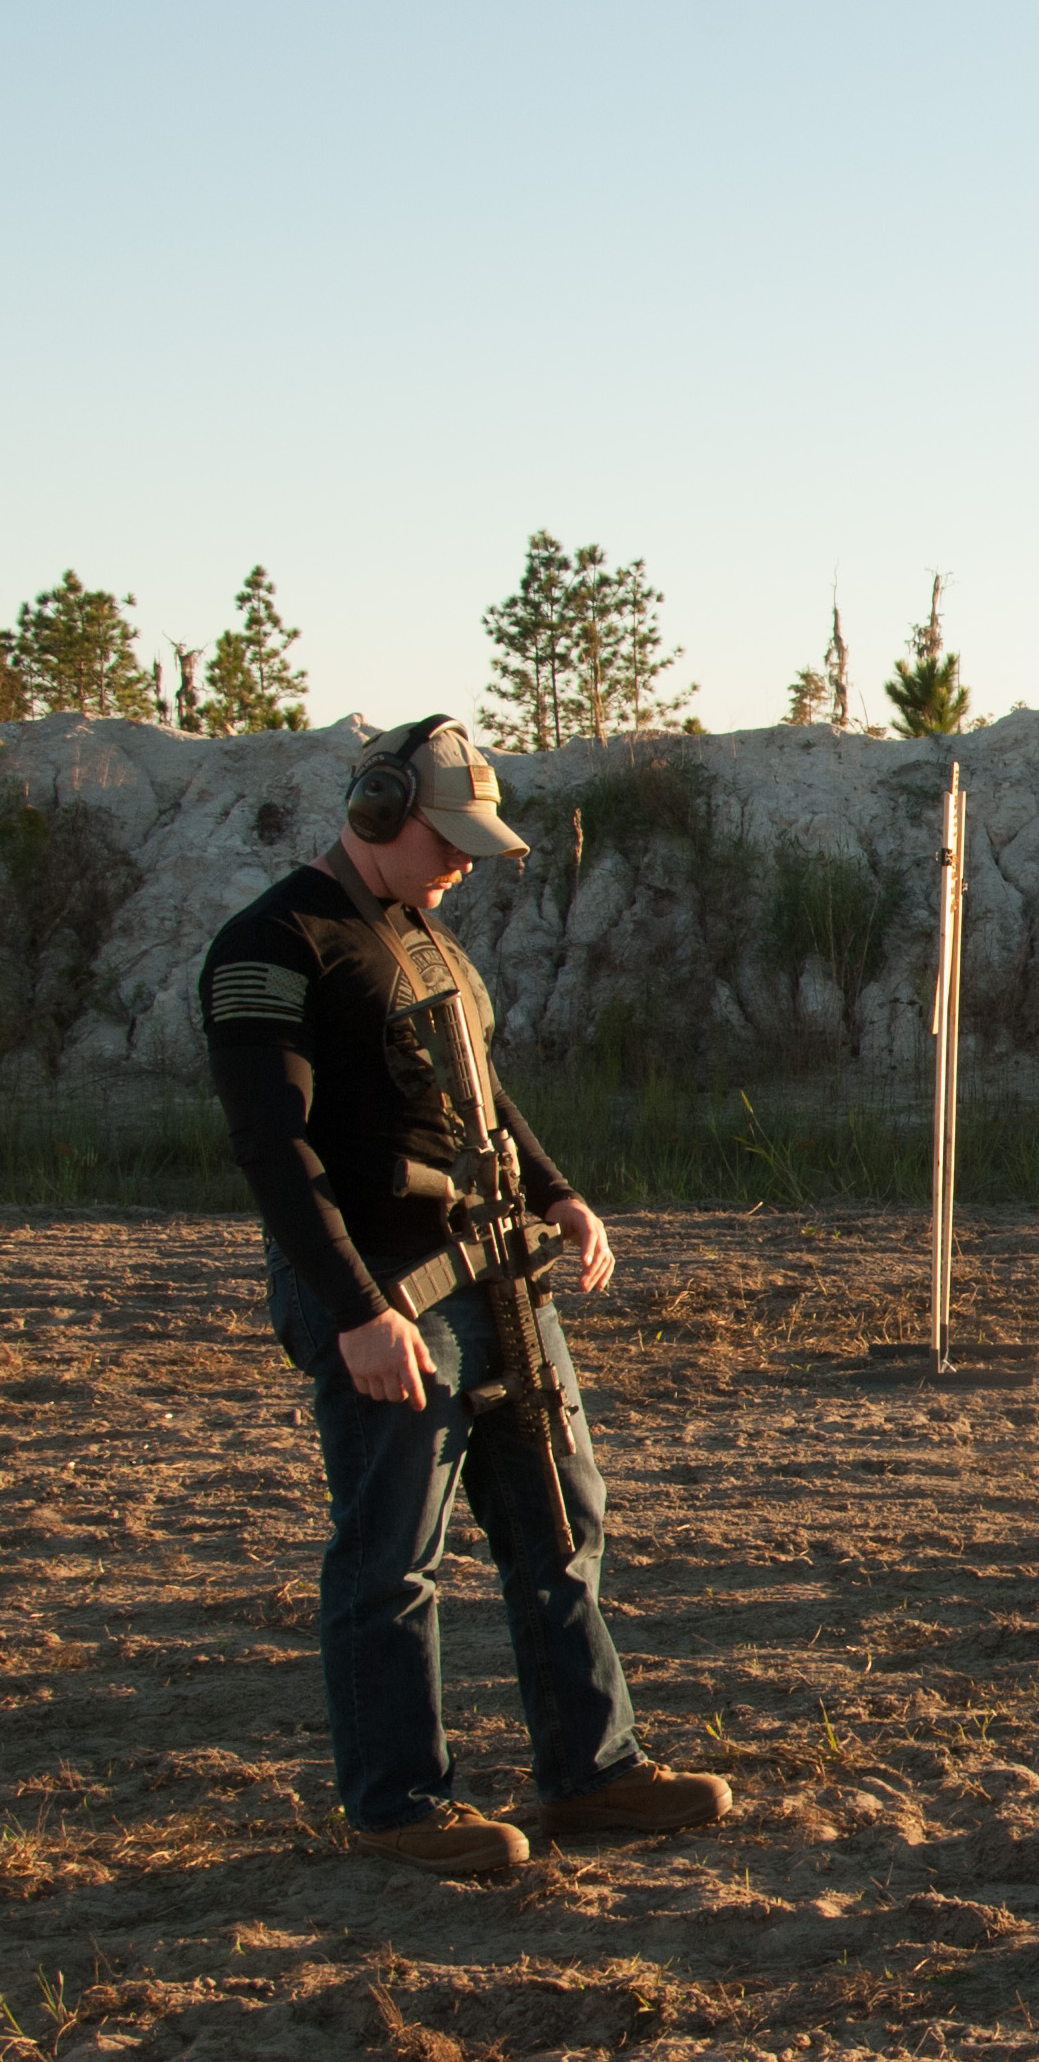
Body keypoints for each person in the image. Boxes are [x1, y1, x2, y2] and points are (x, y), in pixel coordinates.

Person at [198, 716, 732, 1878]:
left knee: (558, 1519)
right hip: (391, 1294)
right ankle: (397, 1808)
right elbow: (273, 1151)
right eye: (444, 838)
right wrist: (355, 1313)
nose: (460, 864)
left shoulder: (424, 937)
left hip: (495, 1275)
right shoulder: (273, 945)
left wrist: (560, 1196)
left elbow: (482, 1100)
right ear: (378, 810)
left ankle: (593, 1772)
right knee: (393, 1553)